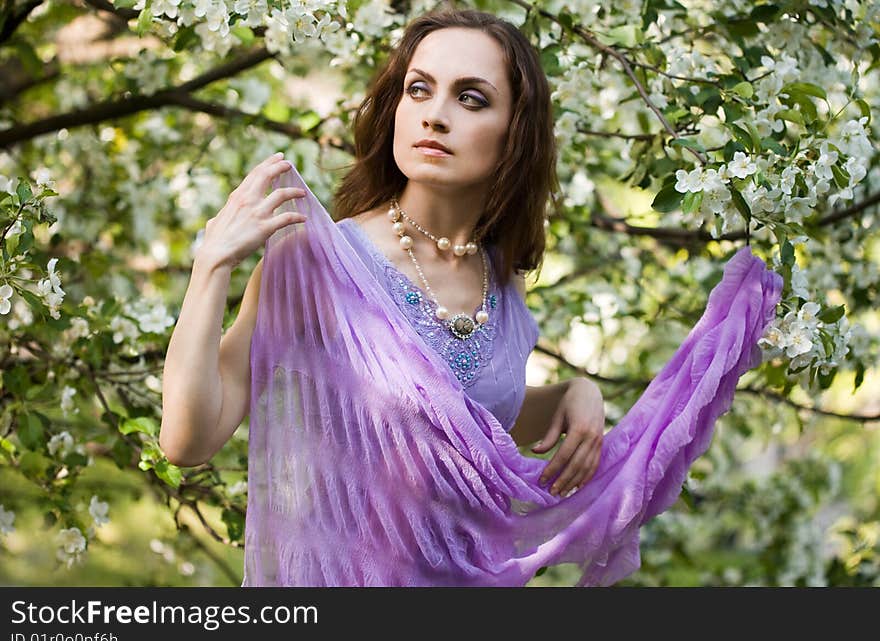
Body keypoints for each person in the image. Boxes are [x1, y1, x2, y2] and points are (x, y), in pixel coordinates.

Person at [160, 9, 782, 586]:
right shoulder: (319, 263)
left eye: (472, 98)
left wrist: (574, 392)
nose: (435, 115)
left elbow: (473, 427)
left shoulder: (502, 284)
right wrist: (210, 268)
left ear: (516, 133)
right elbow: (190, 440)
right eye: (419, 89)